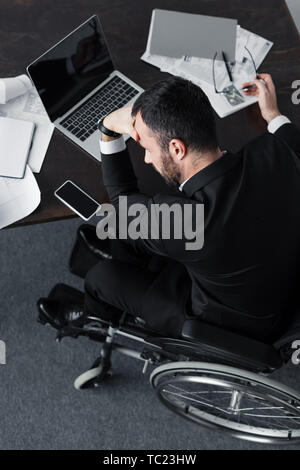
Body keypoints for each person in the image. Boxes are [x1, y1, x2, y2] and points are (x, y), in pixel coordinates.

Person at [38, 74, 300, 342]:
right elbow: (288, 137)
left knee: (101, 277)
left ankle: (91, 323)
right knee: (132, 232)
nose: (147, 158)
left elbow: (122, 205)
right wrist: (273, 114)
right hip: (275, 277)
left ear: (176, 148)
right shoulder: (277, 151)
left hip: (226, 320)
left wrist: (108, 130)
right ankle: (127, 255)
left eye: (146, 147)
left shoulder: (188, 222)